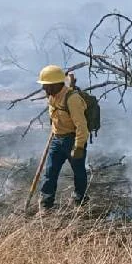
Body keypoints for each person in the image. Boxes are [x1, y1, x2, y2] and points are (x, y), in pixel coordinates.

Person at [36, 65, 90, 210]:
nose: (44, 89)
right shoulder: (53, 96)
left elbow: (82, 127)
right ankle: (46, 204)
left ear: (57, 84)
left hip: (72, 140)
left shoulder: (73, 100)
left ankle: (80, 200)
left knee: (78, 172)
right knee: (50, 172)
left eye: (47, 86)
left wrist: (79, 146)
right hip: (56, 139)